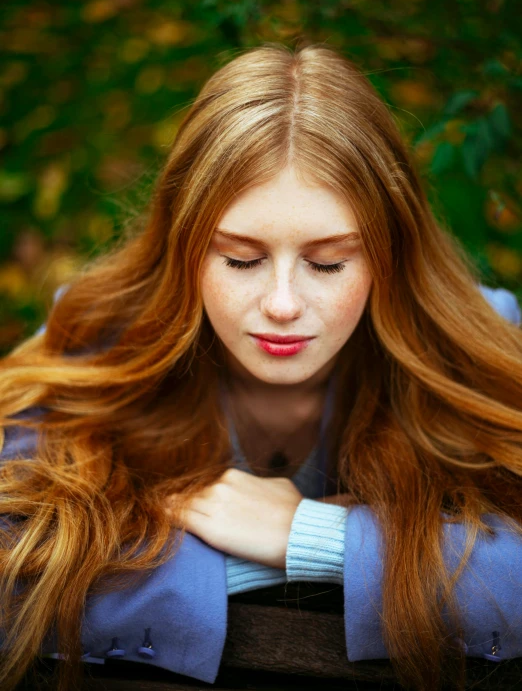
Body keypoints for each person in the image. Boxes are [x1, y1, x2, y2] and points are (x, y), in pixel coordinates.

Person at [0, 42, 521, 691]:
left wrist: (312, 536)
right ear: (183, 248)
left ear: (391, 252)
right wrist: (245, 562)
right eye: (240, 260)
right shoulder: (97, 335)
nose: (282, 304)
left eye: (329, 262)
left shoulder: (475, 342)